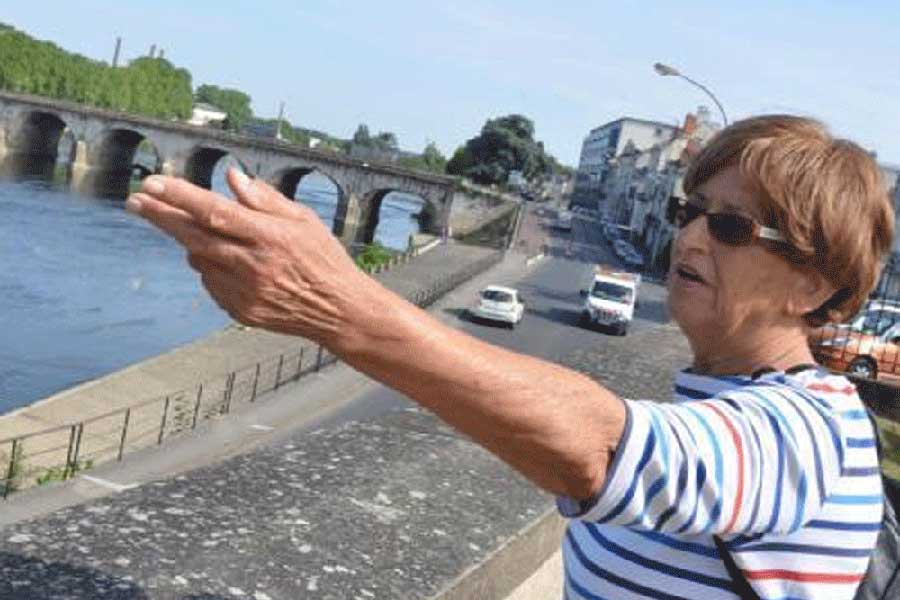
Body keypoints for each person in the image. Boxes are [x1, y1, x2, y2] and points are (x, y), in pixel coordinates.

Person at [126, 115, 894, 599]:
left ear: (812, 284)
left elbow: (603, 447)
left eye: (729, 228)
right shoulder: (727, 400)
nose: (689, 237)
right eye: (687, 210)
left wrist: (339, 305)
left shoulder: (809, 436)